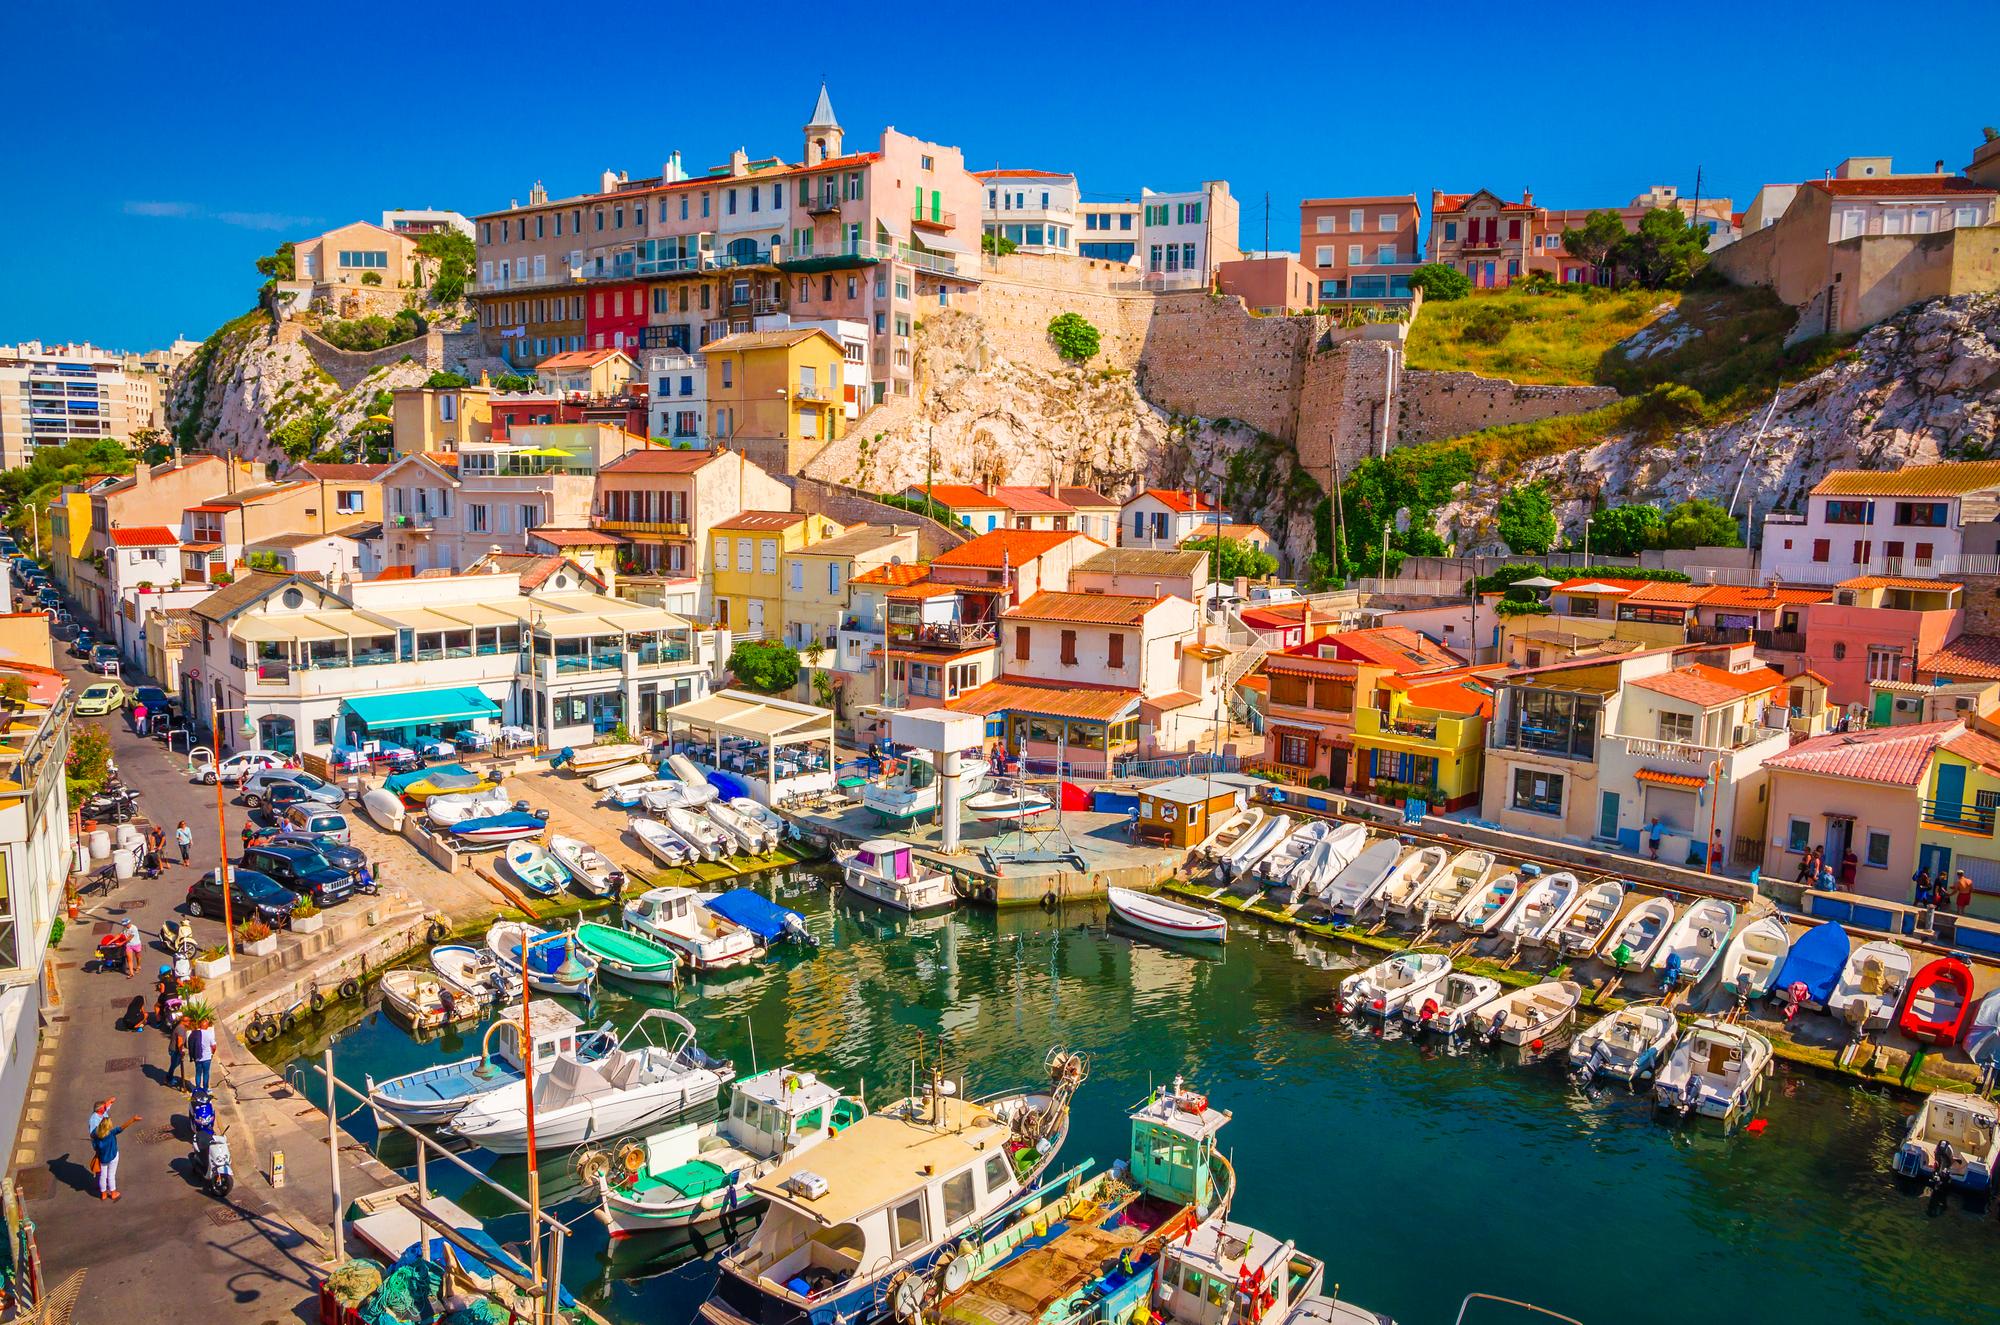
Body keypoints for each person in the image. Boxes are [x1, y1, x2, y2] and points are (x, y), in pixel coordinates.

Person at [91, 1114, 139, 1201]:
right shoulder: (111, 1133)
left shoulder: (96, 1136)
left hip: (103, 1158)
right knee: (111, 1175)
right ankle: (113, 1193)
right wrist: (133, 1119)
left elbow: (94, 1146)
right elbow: (122, 1127)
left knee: (103, 1176)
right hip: (113, 1156)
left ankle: (103, 1194)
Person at [189, 1021, 214, 1093]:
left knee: (198, 1073)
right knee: (206, 1073)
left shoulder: (194, 1033)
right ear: (207, 1026)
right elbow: (214, 1046)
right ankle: (205, 1089)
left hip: (197, 1057)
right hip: (207, 1057)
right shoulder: (209, 1034)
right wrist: (212, 1053)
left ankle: (197, 1088)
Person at [165, 1019, 188, 1090]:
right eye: (189, 1022)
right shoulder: (180, 1029)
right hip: (175, 1051)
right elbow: (180, 1043)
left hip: (175, 1050)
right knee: (174, 1064)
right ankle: (168, 1079)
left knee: (175, 1064)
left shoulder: (181, 1027)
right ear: (184, 1022)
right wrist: (181, 1052)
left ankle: (169, 1077)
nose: (189, 1023)